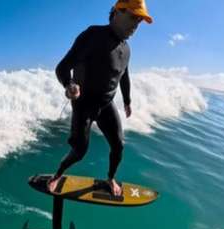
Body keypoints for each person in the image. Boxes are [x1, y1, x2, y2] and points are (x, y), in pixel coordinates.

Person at [48, 0, 153, 196]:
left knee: (119, 145)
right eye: (132, 17)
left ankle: (110, 178)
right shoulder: (93, 35)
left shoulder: (127, 49)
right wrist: (69, 84)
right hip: (84, 103)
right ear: (116, 12)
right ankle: (57, 174)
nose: (135, 26)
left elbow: (124, 75)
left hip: (106, 105)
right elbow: (62, 67)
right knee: (80, 151)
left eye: (138, 22)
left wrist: (128, 101)